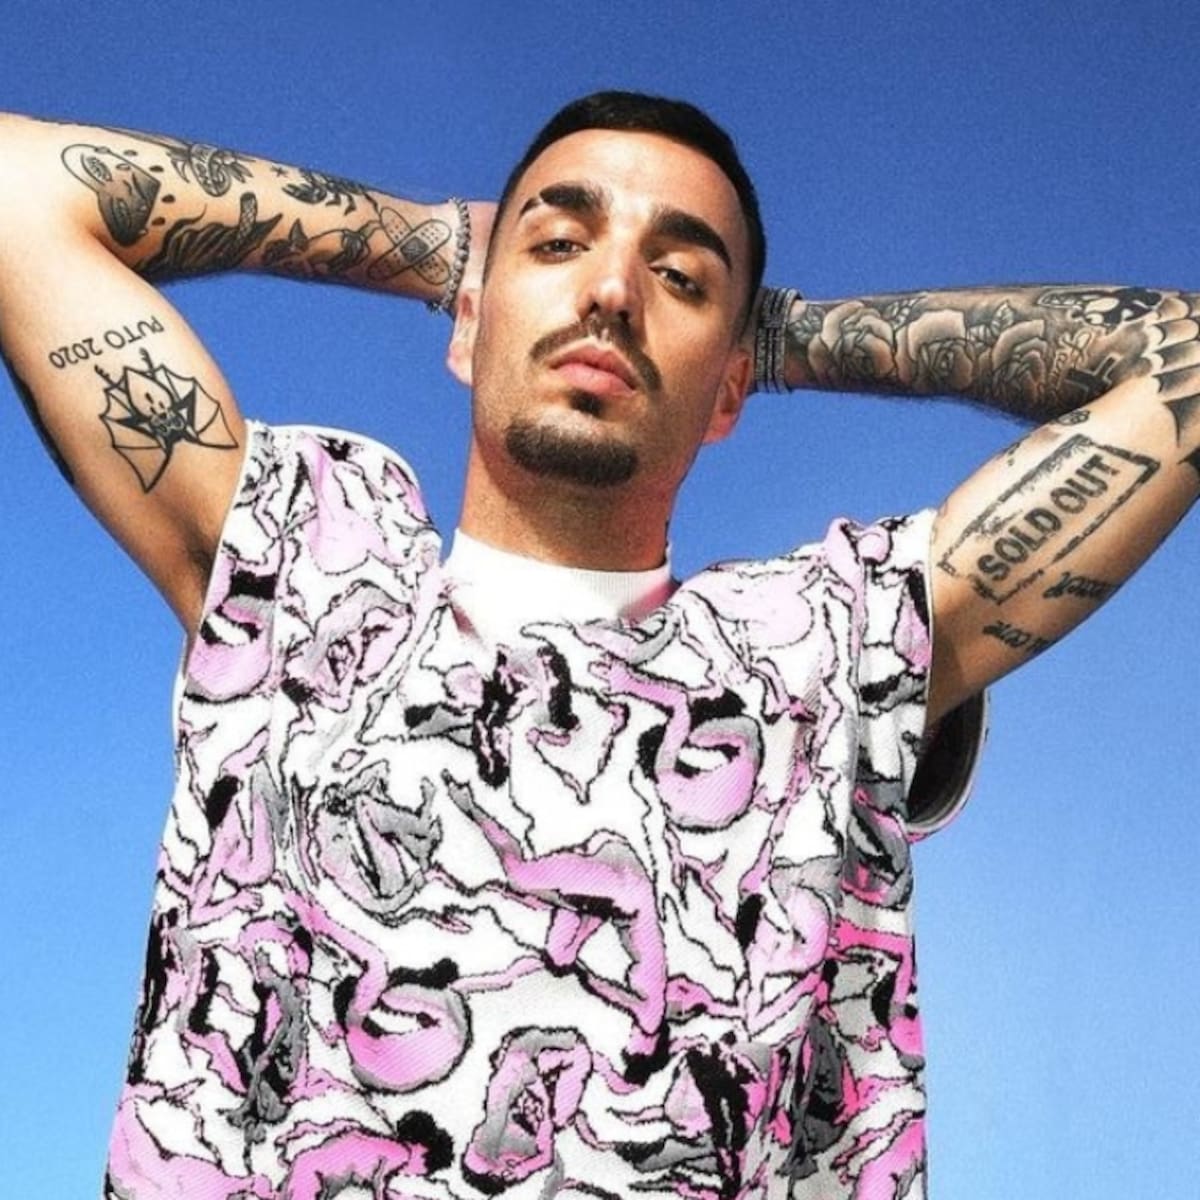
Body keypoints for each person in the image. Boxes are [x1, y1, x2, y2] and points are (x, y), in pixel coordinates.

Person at [0, 91, 1193, 1199]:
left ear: (730, 392)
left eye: (678, 276)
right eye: (560, 243)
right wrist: (435, 246)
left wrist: (784, 335)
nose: (613, 289)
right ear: (469, 321)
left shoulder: (829, 655)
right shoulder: (301, 565)